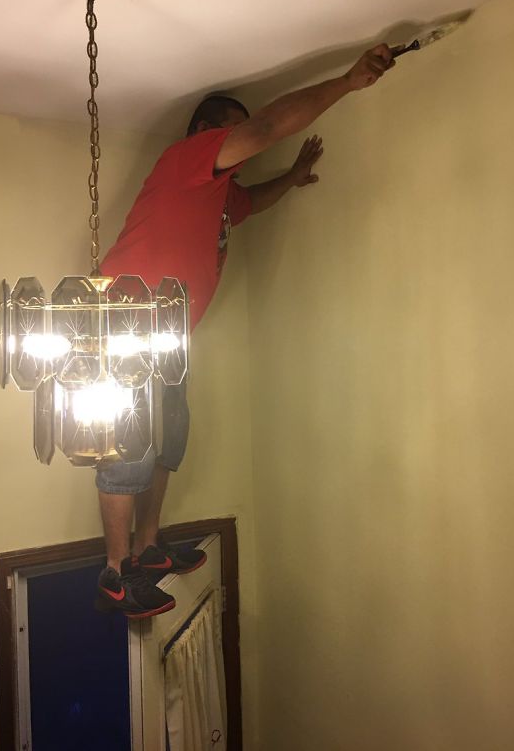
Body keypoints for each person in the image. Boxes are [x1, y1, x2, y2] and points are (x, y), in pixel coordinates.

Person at [95, 43, 395, 618]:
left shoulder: (222, 195)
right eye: (236, 135)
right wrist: (347, 83)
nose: (247, 146)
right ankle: (114, 574)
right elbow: (267, 125)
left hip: (168, 337)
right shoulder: (186, 159)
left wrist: (293, 176)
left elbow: (251, 201)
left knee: (169, 435)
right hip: (122, 324)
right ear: (207, 133)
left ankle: (150, 546)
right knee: (126, 446)